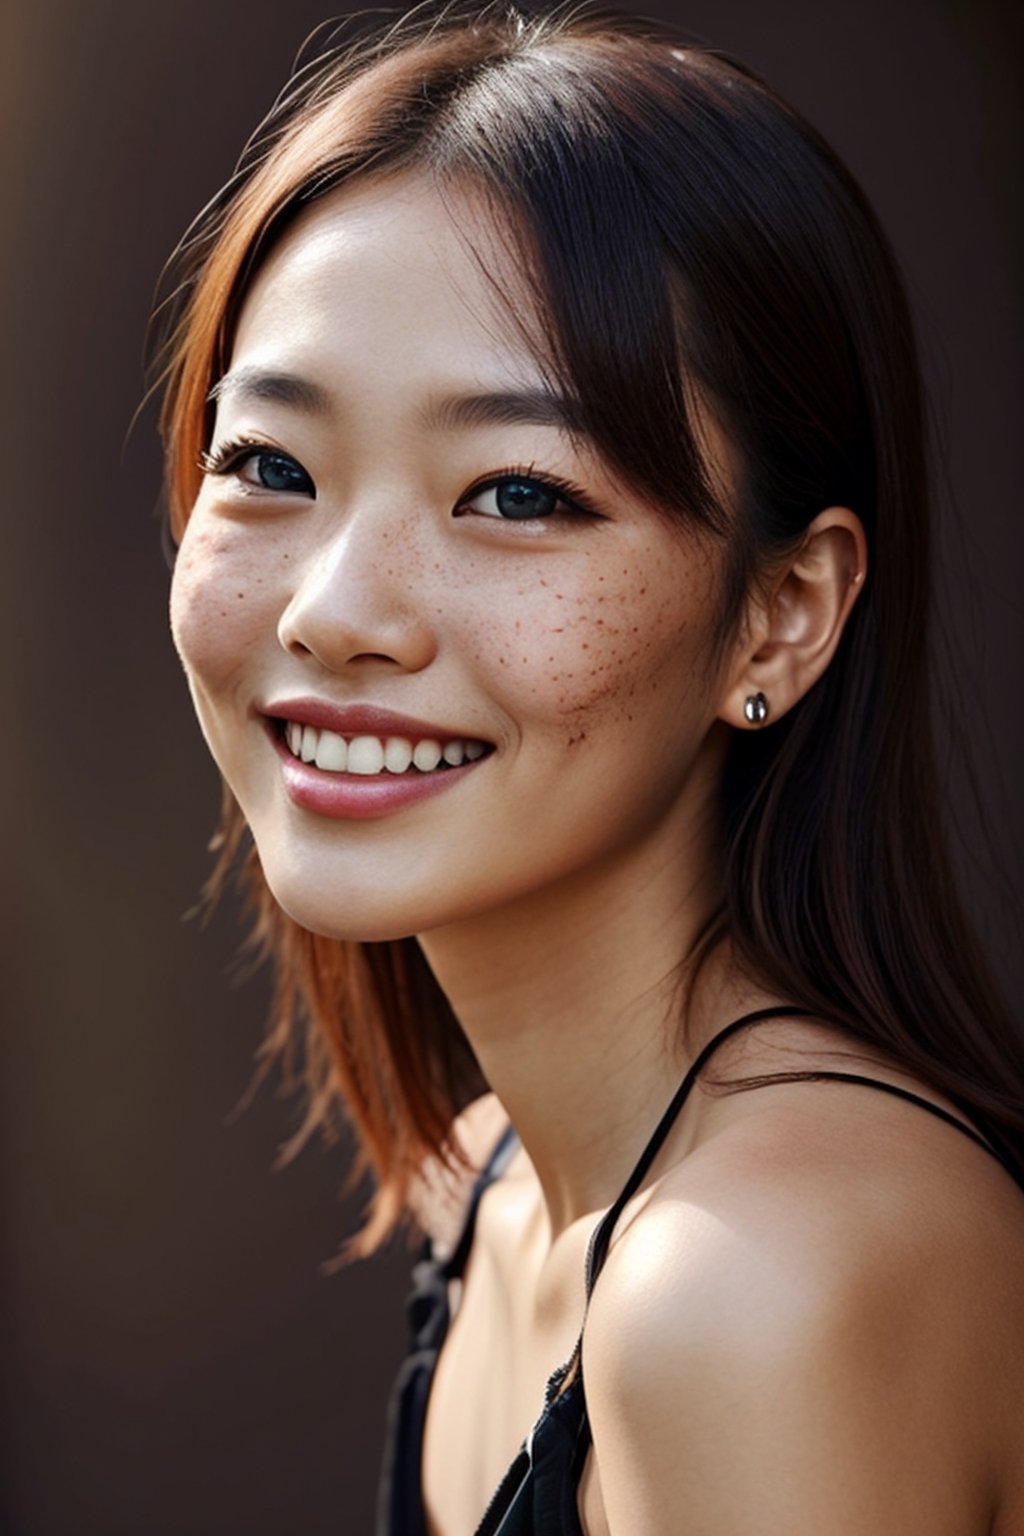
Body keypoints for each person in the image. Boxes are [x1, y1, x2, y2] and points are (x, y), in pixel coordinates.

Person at [152, 4, 1024, 1531]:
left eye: (514, 493)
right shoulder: (489, 1183)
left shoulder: (756, 1284)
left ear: (782, 613)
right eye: (269, 467)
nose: (335, 610)